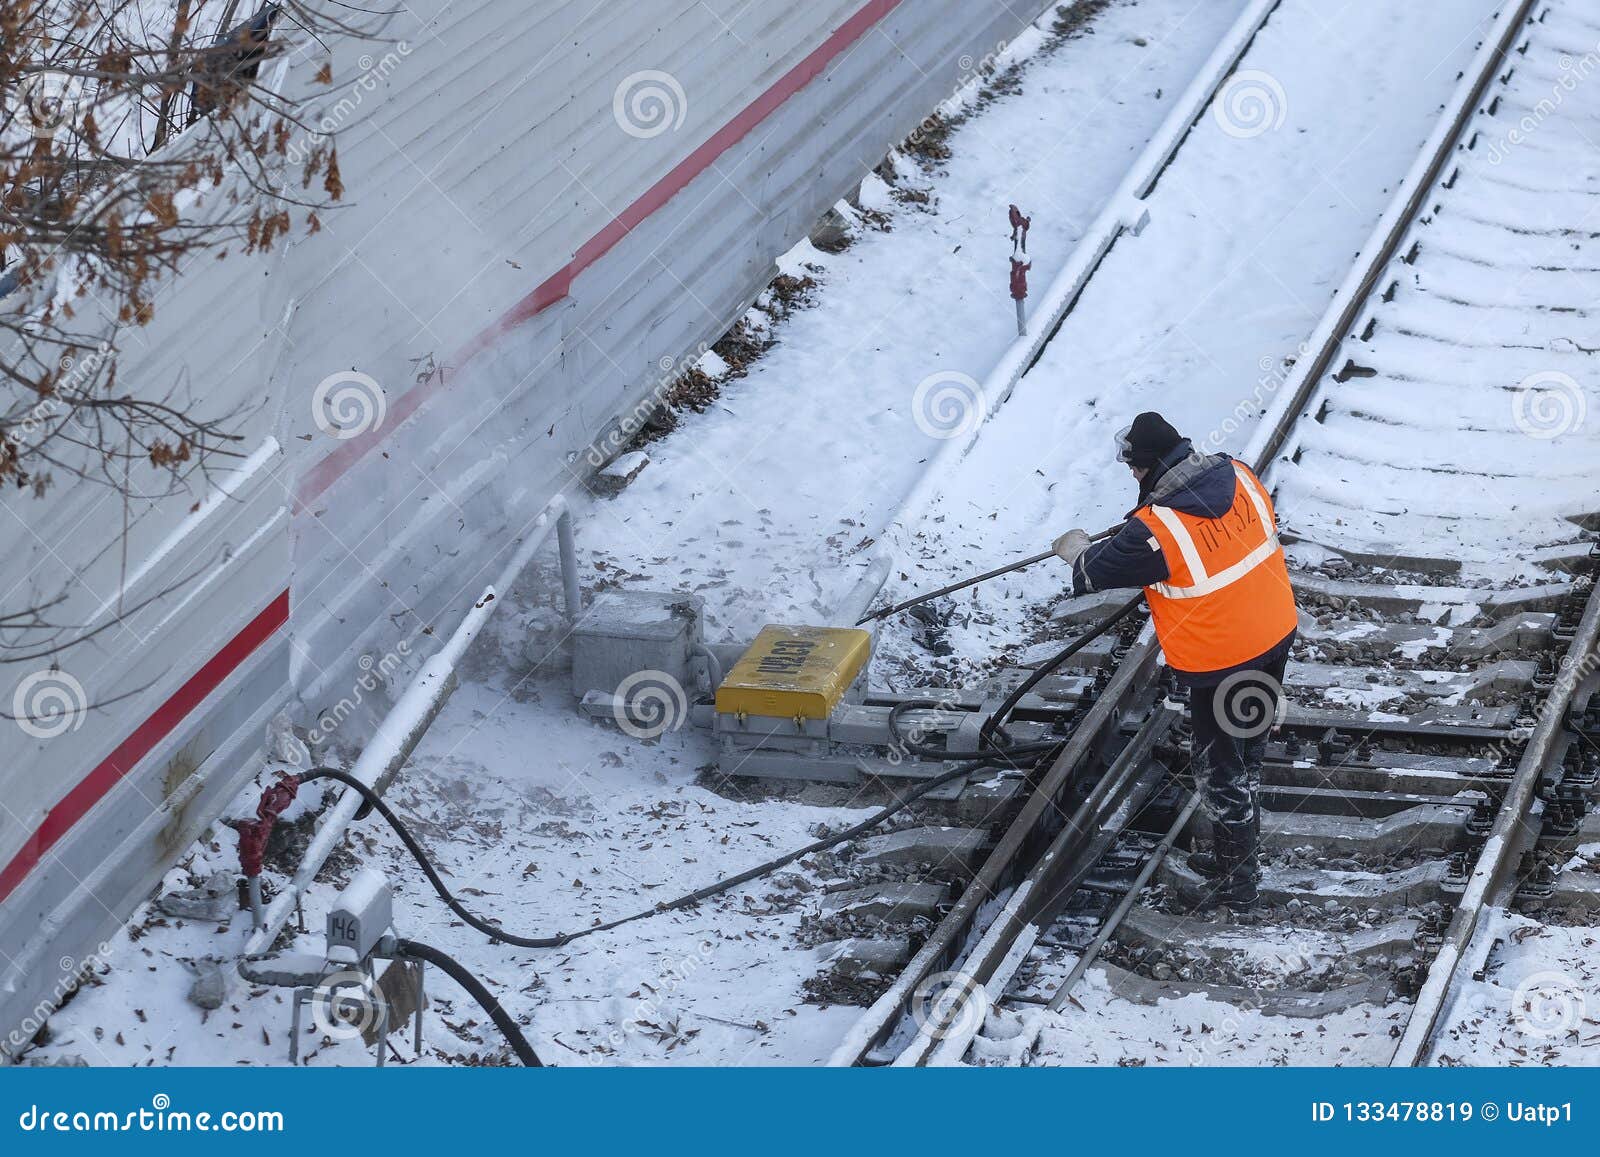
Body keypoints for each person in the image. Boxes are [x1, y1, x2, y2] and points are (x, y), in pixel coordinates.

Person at [1053, 412, 1297, 910]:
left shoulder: (1158, 530)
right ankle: (1238, 859)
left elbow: (1091, 574)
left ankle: (1238, 887)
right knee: (1246, 751)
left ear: (1146, 469)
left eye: (1135, 470)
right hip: (1273, 634)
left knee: (1220, 769)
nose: (1133, 478)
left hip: (1223, 660)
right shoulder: (1240, 475)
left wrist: (1075, 548)